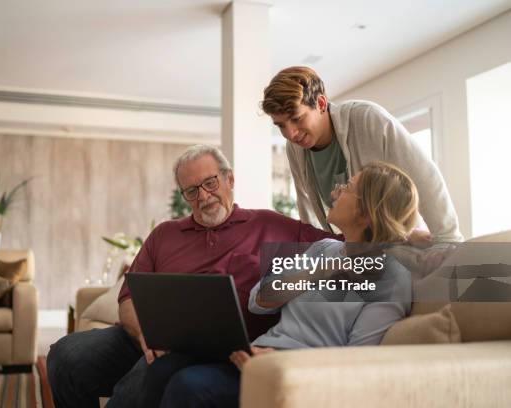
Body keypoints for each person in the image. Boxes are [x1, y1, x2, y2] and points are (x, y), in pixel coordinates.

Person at [46, 145, 337, 408]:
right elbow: (128, 298)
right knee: (66, 355)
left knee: (157, 370)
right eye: (192, 191)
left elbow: (348, 251)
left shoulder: (272, 225)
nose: (204, 197)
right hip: (150, 339)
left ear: (229, 180)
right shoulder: (164, 234)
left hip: (220, 351)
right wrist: (144, 334)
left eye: (210, 183)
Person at [145, 161, 418, 408]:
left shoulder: (392, 280)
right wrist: (319, 271)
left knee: (189, 386)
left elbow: (357, 362)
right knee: (163, 368)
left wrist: (280, 364)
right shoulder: (324, 249)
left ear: (366, 212)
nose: (335, 192)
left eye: (347, 188)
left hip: (296, 374)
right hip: (260, 355)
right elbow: (259, 301)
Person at [261, 66, 462, 243]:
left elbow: (425, 177)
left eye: (296, 118)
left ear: (321, 103)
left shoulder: (368, 119)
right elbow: (306, 207)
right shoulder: (294, 148)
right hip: (358, 252)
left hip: (400, 245)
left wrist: (448, 242)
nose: (290, 133)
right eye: (280, 125)